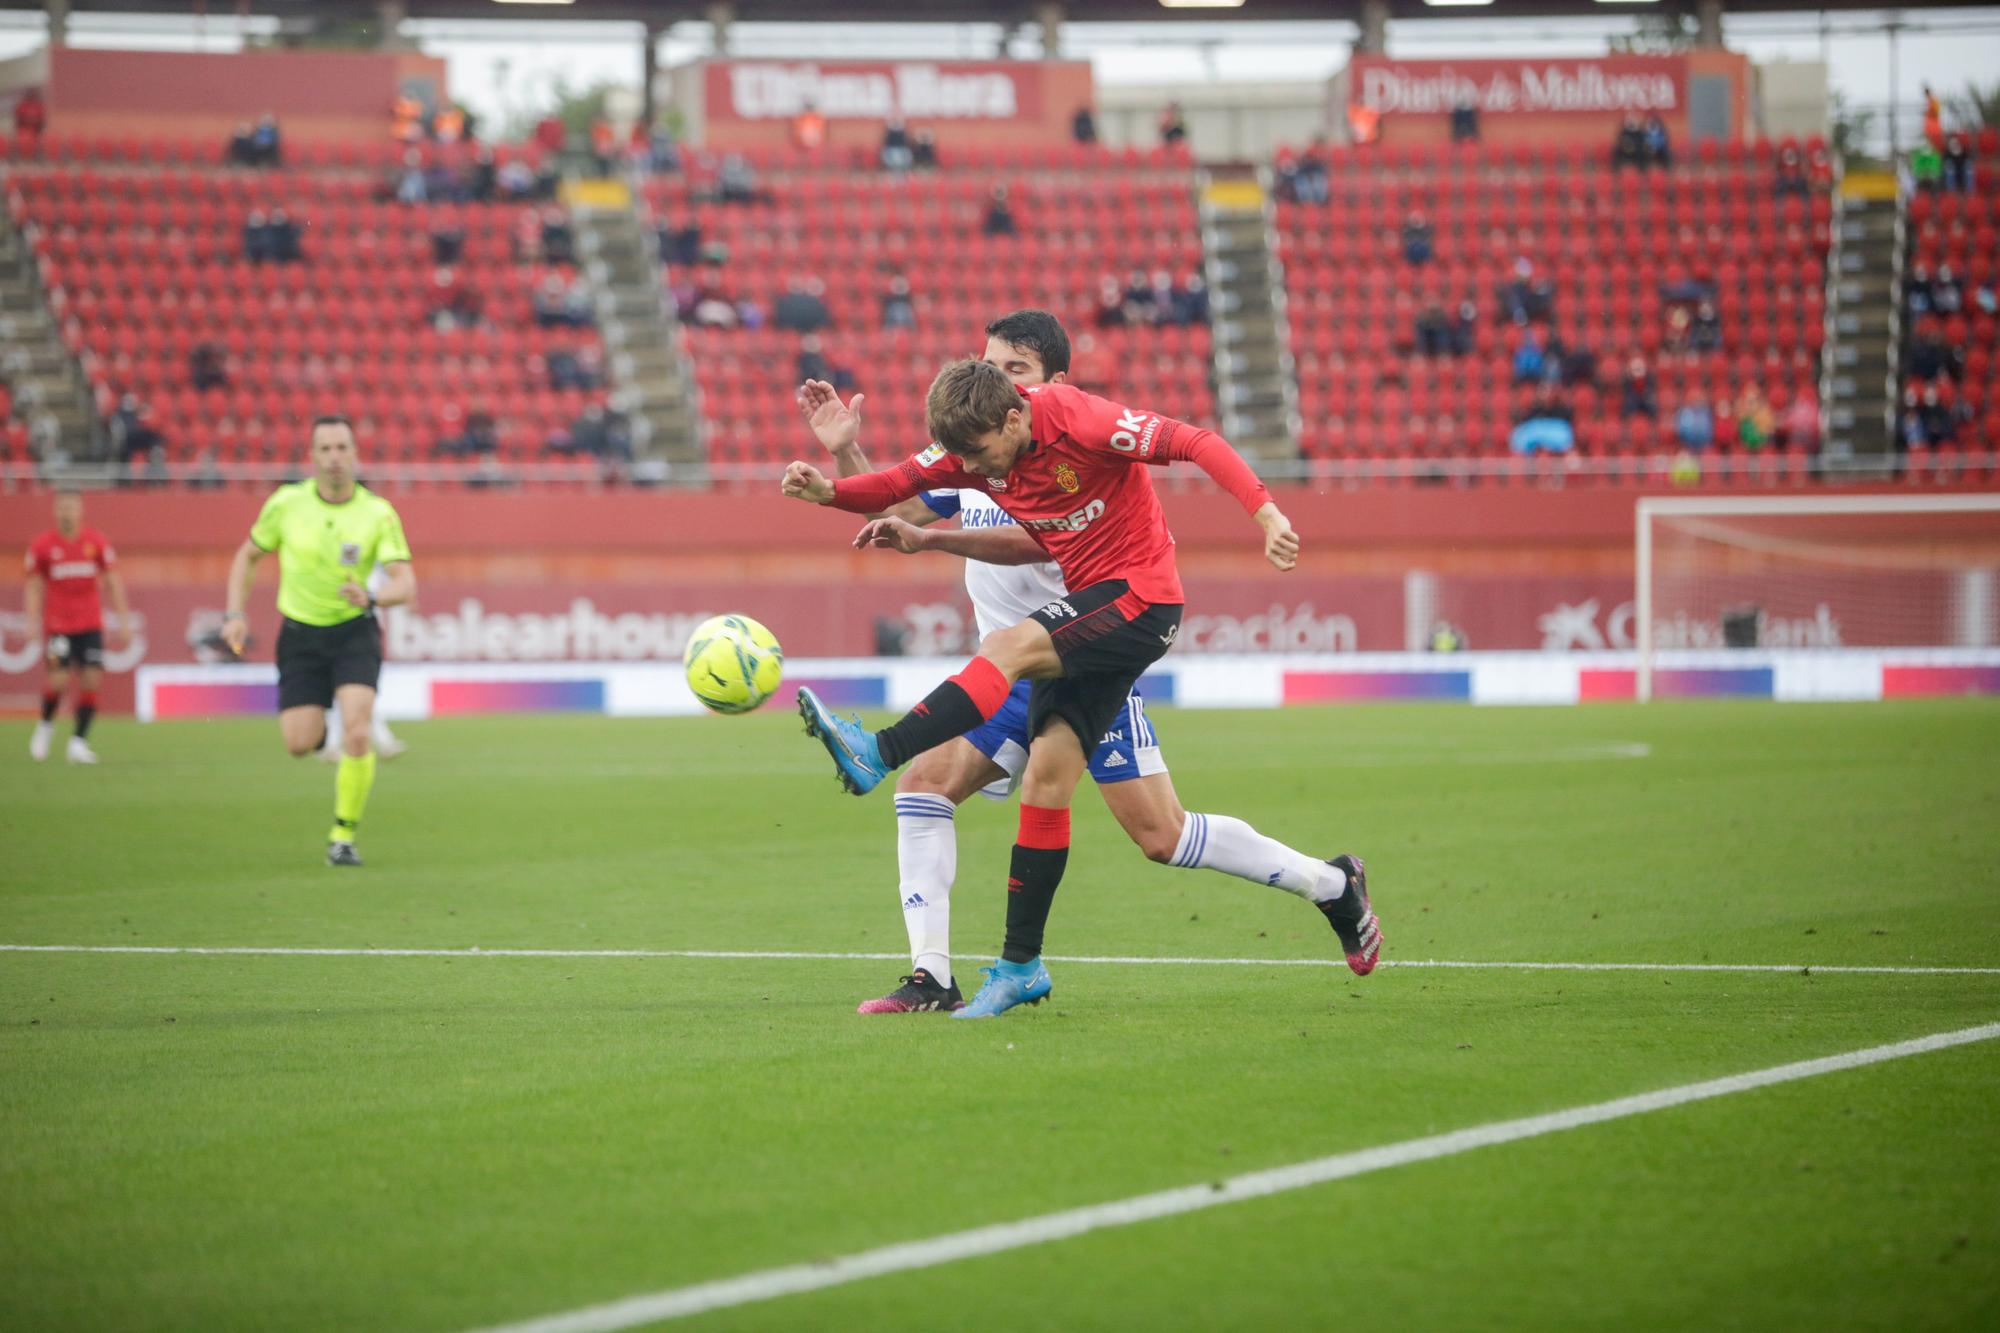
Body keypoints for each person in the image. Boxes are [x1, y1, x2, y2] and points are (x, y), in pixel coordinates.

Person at [797, 310, 1379, 1013]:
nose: (994, 378)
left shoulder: (1076, 429)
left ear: (1039, 391)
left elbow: (1062, 524)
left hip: (1097, 632)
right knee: (940, 784)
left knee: (1159, 831)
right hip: (1018, 669)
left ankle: (878, 748)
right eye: (985, 364)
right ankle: (942, 974)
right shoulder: (975, 453)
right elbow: (896, 501)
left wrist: (1265, 512)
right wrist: (838, 466)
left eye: (1012, 370)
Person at [220, 416, 415, 866]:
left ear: (355, 454)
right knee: (297, 743)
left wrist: (371, 595)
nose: (333, 458)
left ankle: (342, 837)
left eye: (342, 448)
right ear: (313, 456)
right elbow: (247, 555)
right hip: (300, 635)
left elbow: (405, 585)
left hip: (354, 631)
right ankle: (321, 726)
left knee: (359, 732)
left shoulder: (377, 513)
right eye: (324, 449)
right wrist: (234, 614)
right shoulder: (286, 504)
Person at [24, 490, 131, 763]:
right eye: (62, 507)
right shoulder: (43, 546)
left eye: (71, 507)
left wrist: (124, 620)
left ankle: (78, 743)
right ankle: (46, 725)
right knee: (58, 680)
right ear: (55, 511)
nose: (67, 512)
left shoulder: (95, 542)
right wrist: (31, 621)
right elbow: (34, 585)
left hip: (90, 624)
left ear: (80, 510)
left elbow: (113, 581)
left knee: (91, 679)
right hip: (58, 625)